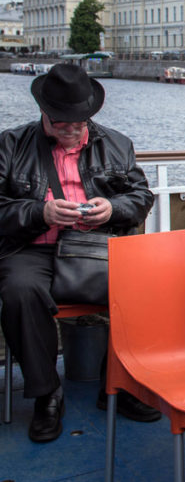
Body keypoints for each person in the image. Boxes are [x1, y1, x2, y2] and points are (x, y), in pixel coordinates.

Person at [0, 63, 158, 443]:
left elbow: (140, 198)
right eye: (61, 123)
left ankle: (117, 386)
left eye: (79, 123)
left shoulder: (117, 143)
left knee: (144, 287)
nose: (71, 130)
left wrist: (112, 209)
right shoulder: (10, 143)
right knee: (20, 291)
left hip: (92, 248)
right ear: (44, 113)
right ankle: (46, 395)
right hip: (30, 247)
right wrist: (41, 211)